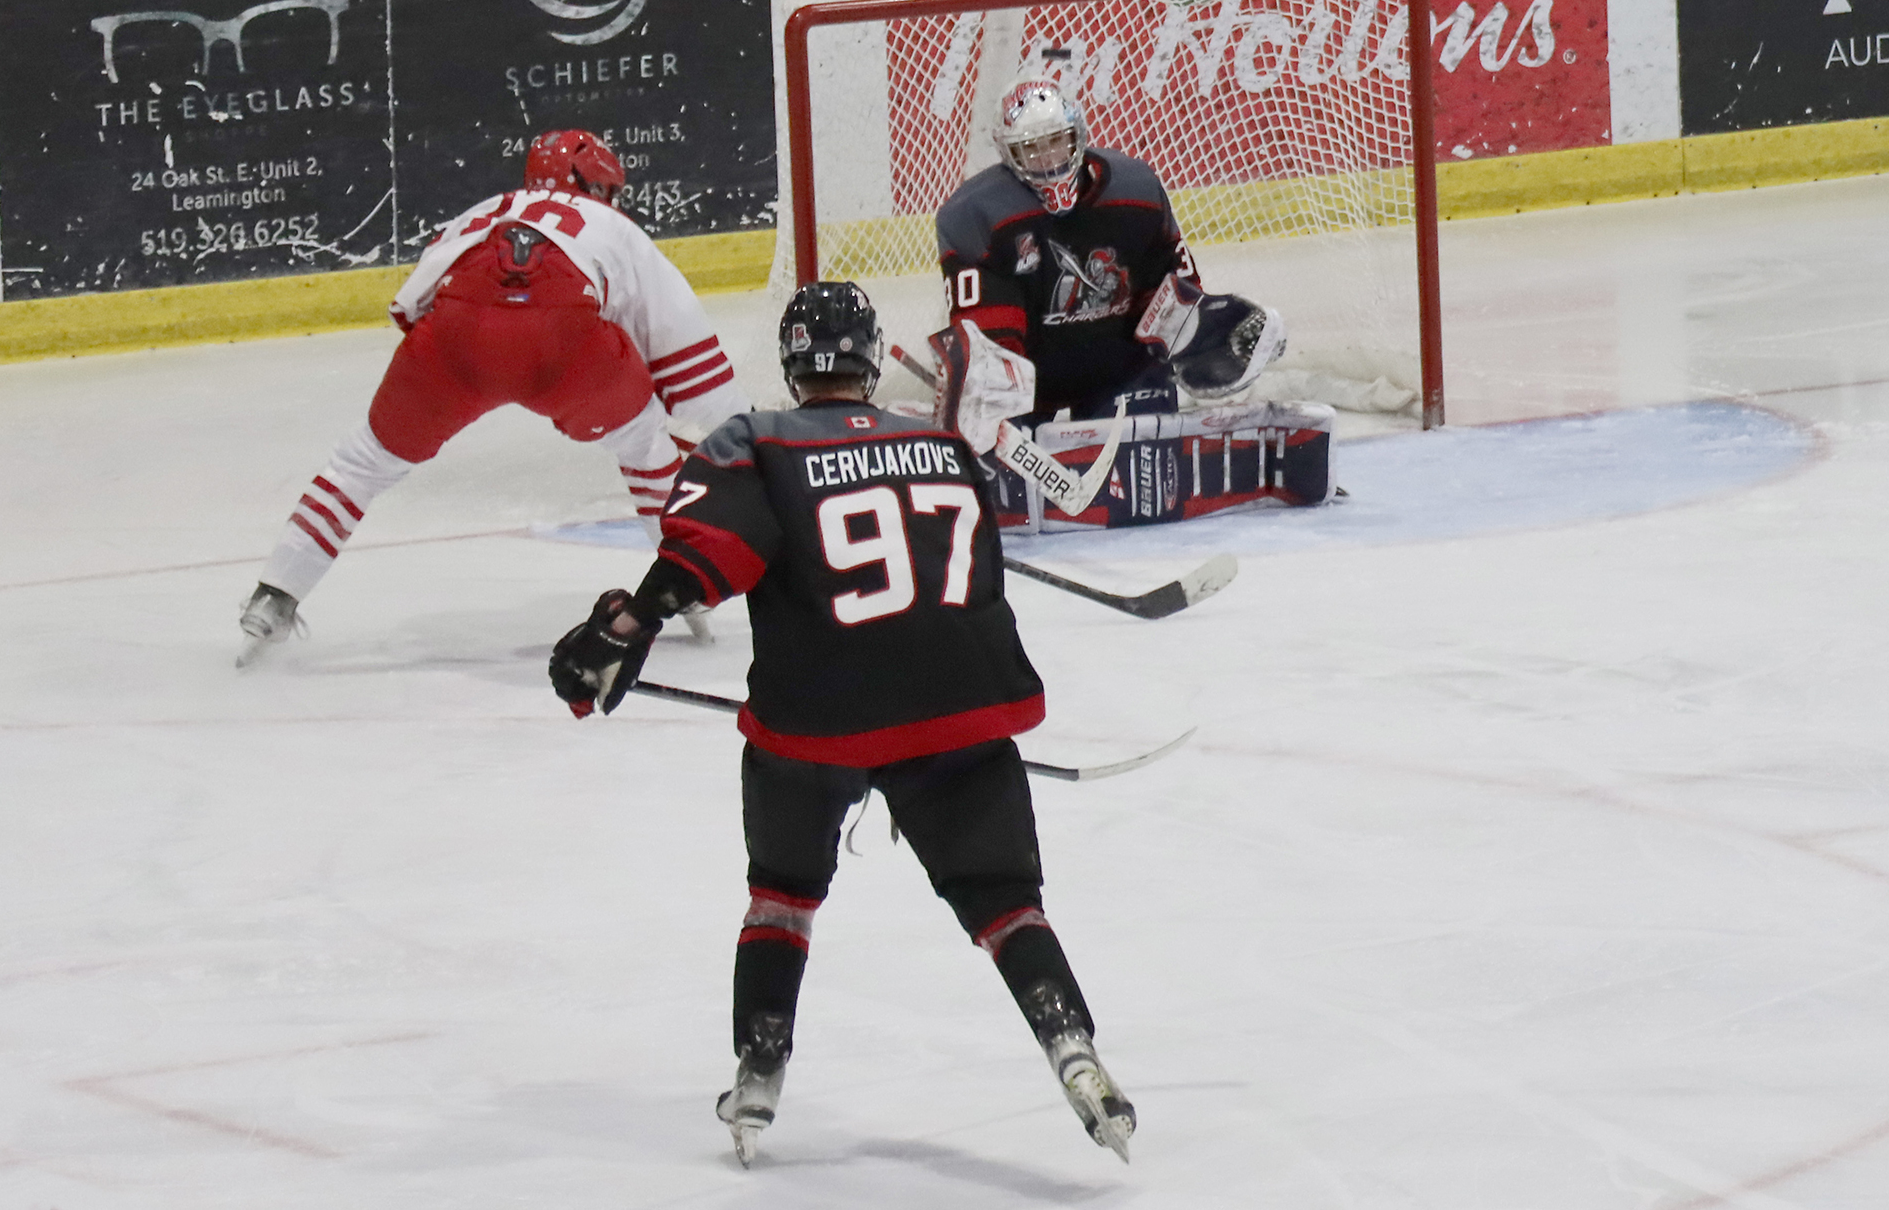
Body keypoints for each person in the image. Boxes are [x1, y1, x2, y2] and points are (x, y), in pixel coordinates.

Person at [547, 281, 1136, 1167]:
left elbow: (705, 561)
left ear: (792, 364)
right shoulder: (939, 442)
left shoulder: (755, 442)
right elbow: (968, 577)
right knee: (1008, 904)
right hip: (965, 705)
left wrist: (622, 629)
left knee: (782, 893)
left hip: (819, 719)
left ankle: (758, 1070)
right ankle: (1076, 1052)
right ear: (868, 358)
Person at [237, 130, 748, 664]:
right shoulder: (616, 229)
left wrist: (452, 374)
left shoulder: (483, 212)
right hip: (565, 341)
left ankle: (274, 595)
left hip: (458, 333)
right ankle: (687, 588)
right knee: (645, 445)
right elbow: (686, 355)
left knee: (363, 460)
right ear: (591, 184)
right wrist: (739, 436)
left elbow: (409, 308)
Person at [930, 77, 1313, 529]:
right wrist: (986, 405)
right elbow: (993, 340)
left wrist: (1208, 330)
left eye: (1057, 142)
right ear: (1008, 154)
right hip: (1032, 383)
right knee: (1009, 508)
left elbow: (1171, 300)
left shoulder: (1136, 189)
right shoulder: (976, 215)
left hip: (1118, 369)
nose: (1050, 159)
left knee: (1144, 496)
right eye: (1034, 149)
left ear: (1079, 135)